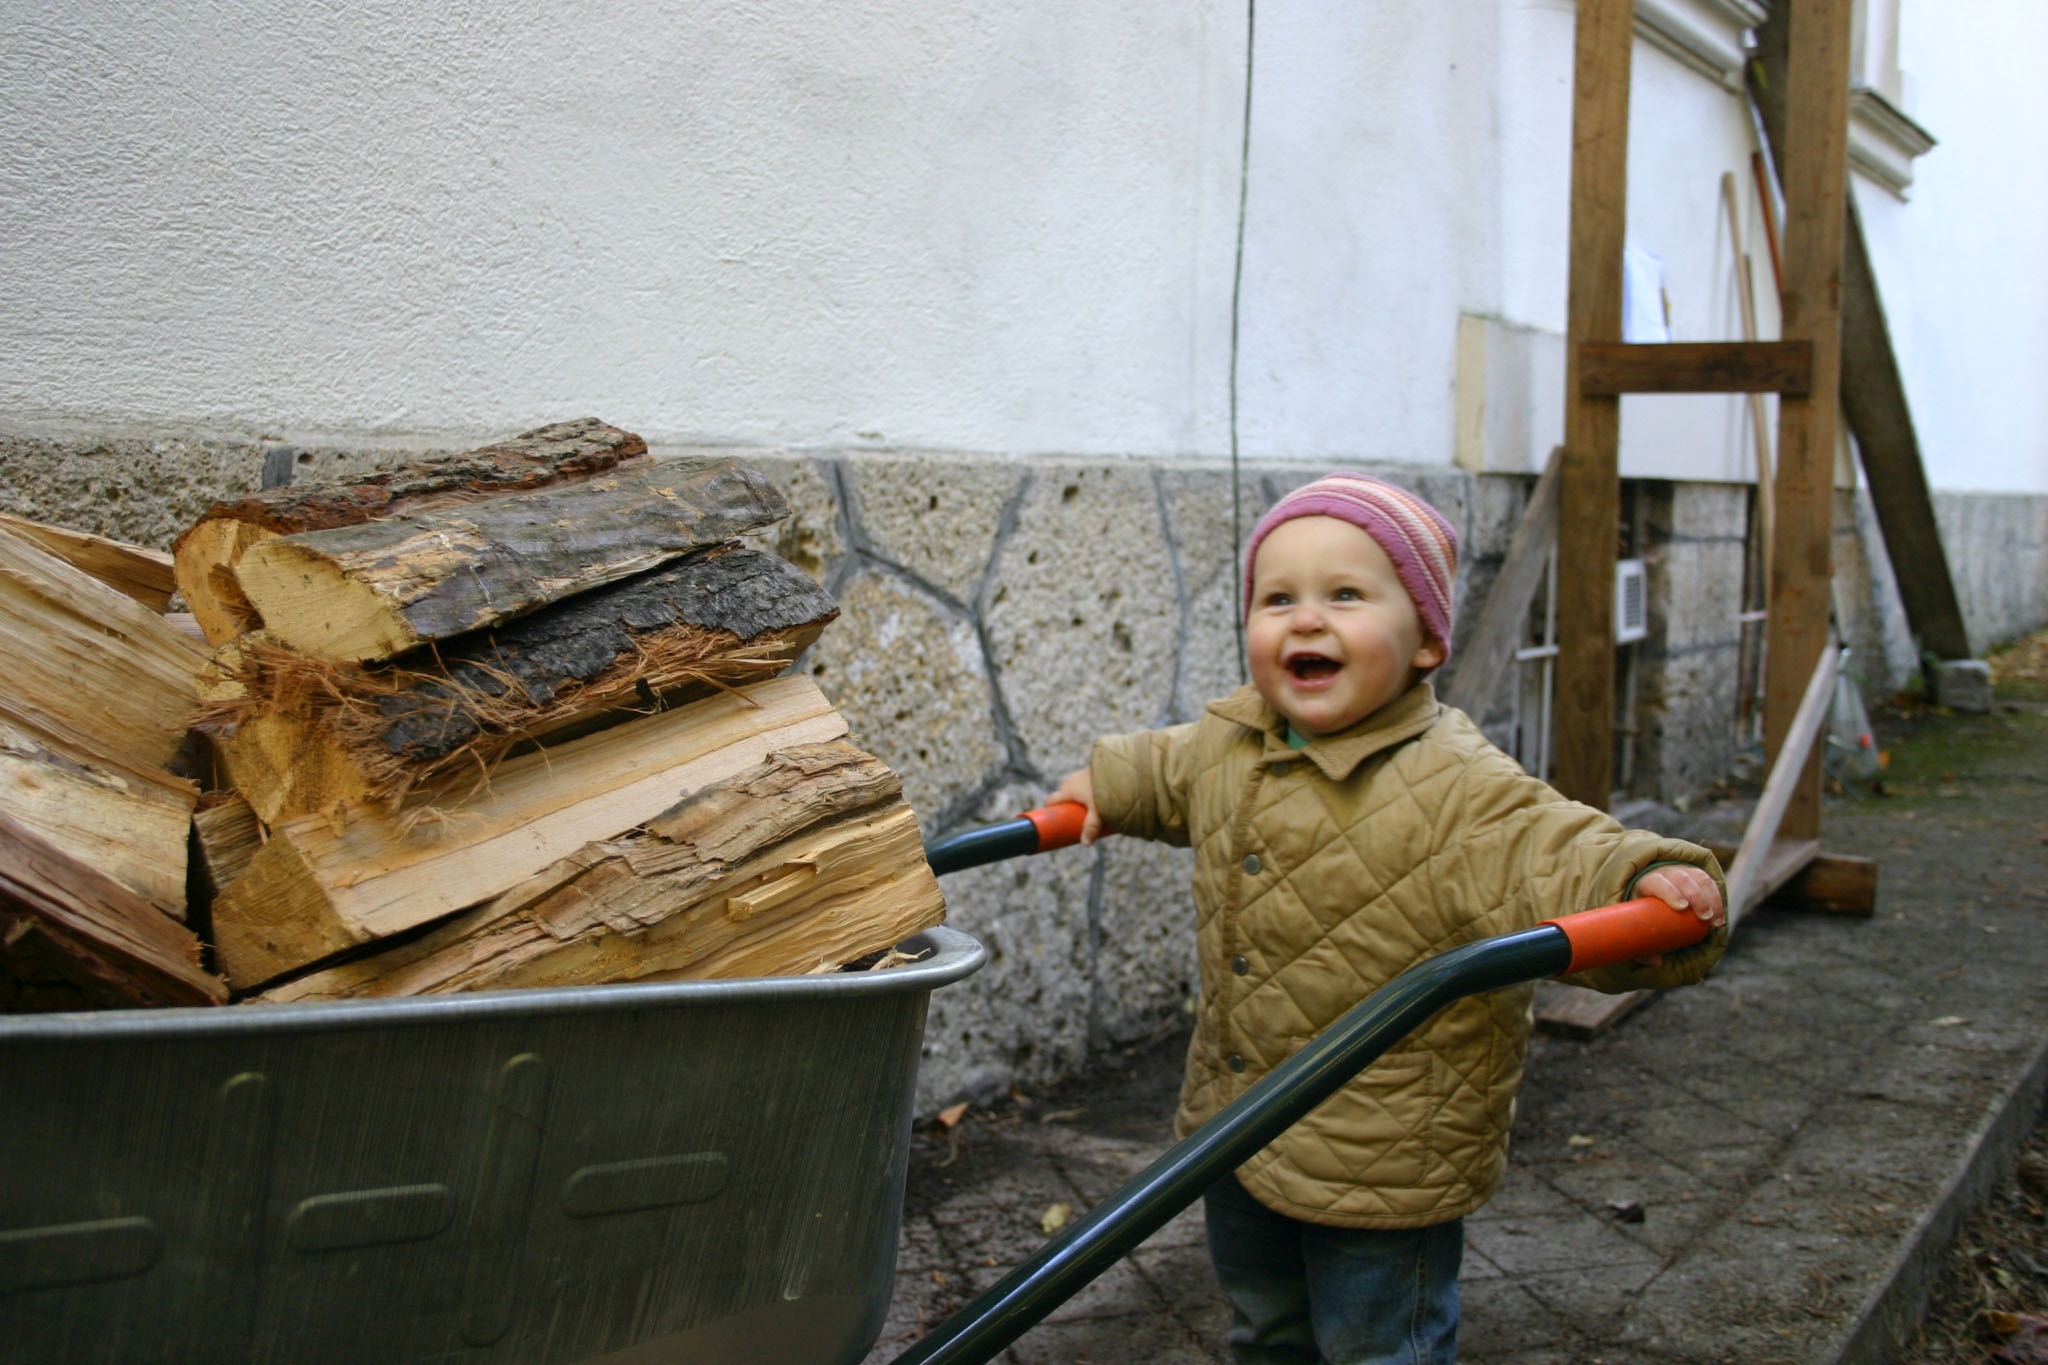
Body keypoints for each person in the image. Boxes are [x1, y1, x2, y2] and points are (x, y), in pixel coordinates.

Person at [1050, 472, 1727, 1365]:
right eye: (1276, 598)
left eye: (1346, 595)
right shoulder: (1237, 739)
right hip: (1239, 1122)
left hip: (1386, 1158)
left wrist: (1643, 875)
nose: (1304, 619)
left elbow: (1552, 845)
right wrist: (1108, 783)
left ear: (1426, 641)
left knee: (1378, 1345)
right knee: (1265, 1325)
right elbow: (1169, 766)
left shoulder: (1457, 785)